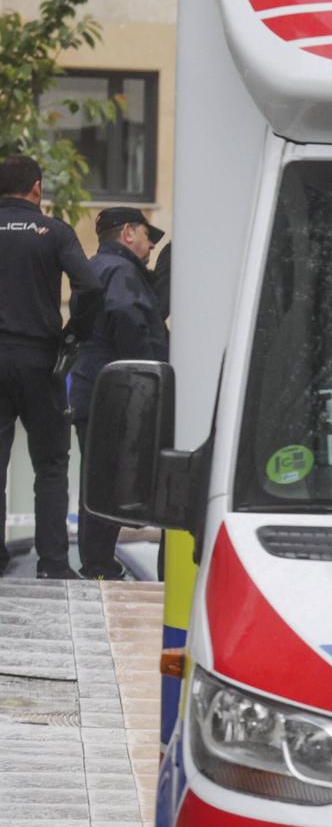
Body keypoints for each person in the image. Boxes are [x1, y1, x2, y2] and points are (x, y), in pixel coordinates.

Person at [0, 155, 98, 578]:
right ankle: (54, 563)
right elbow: (90, 286)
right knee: (52, 465)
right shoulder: (53, 232)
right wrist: (75, 332)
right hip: (41, 360)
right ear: (37, 189)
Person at [69, 207, 167, 580]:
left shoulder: (94, 268)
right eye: (146, 235)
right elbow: (127, 316)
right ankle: (98, 566)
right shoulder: (123, 271)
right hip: (114, 390)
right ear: (128, 233)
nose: (150, 245)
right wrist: (146, 369)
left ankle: (98, 563)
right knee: (109, 480)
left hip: (90, 385)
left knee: (98, 477)